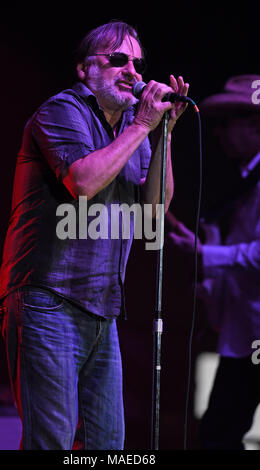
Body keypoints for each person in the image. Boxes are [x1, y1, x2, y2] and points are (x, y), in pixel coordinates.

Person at [0, 21, 189, 450]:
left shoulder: (131, 127)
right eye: (117, 60)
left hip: (102, 308)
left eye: (137, 64)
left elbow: (155, 210)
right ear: (85, 69)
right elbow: (83, 183)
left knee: (108, 446)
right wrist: (143, 124)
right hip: (48, 298)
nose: (132, 72)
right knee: (53, 441)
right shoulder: (61, 111)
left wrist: (164, 134)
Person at [167, 75, 260, 449]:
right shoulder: (244, 183)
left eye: (228, 122)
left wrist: (204, 253)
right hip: (244, 333)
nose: (219, 133)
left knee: (220, 434)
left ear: (255, 124)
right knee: (218, 433)